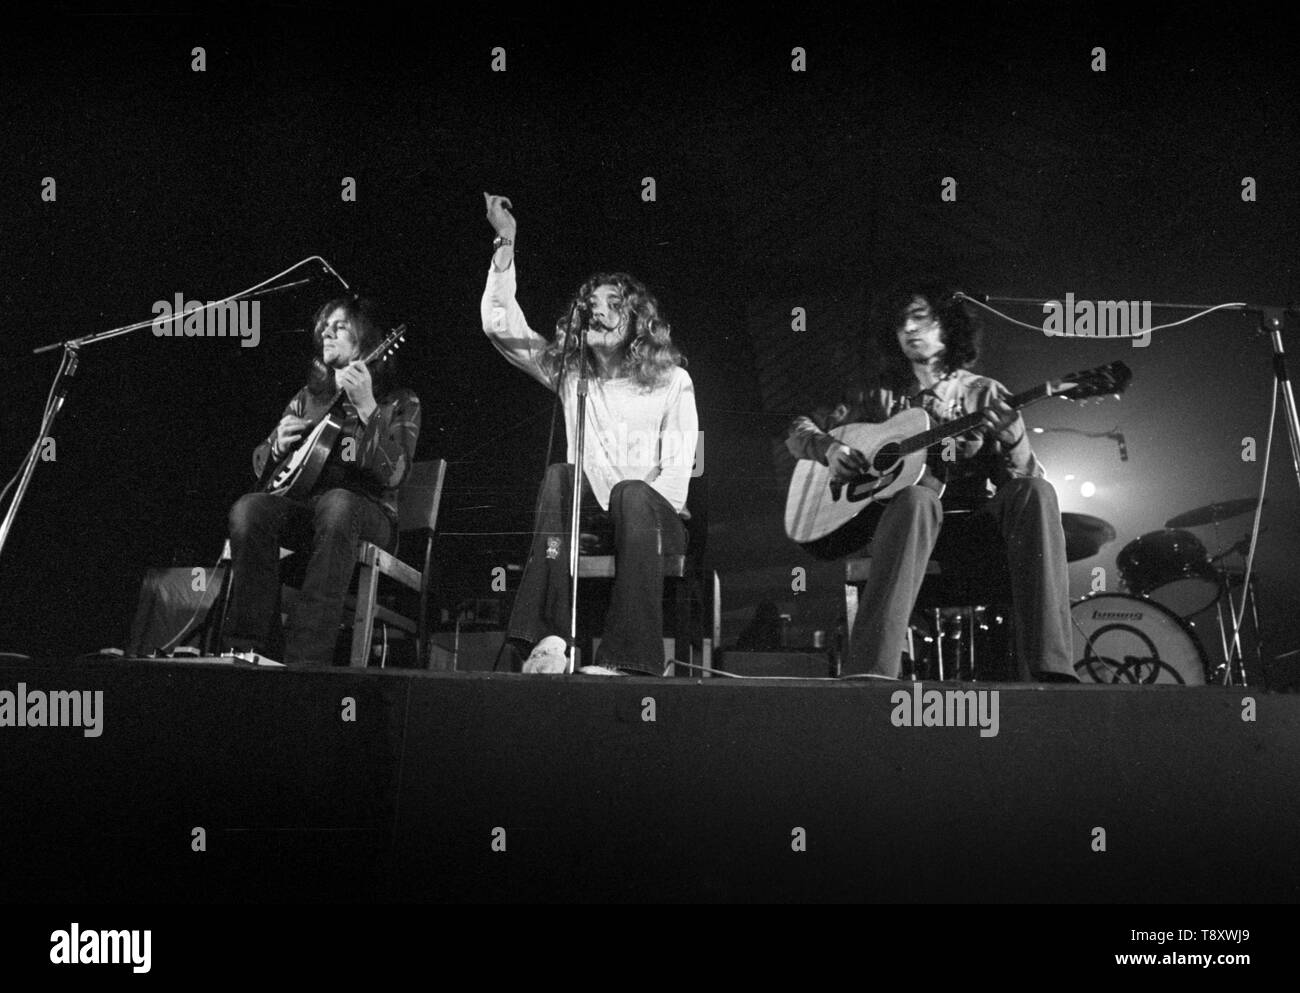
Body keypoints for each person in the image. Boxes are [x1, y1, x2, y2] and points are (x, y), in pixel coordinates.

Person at [786, 281, 1076, 681]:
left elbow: (1022, 482)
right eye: (901, 321)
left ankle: (1052, 668)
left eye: (920, 317)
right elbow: (800, 428)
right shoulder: (877, 397)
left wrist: (1011, 435)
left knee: (1038, 491)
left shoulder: (986, 394)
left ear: (949, 325)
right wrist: (831, 450)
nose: (908, 328)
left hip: (973, 534)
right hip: (906, 532)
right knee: (917, 499)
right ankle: (872, 671)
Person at [480, 192, 698, 676]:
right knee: (560, 474)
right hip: (593, 525)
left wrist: (630, 511)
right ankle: (549, 640)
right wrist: (506, 241)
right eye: (590, 305)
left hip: (656, 526)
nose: (597, 312)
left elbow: (680, 472)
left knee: (631, 493)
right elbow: (500, 327)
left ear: (637, 317)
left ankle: (632, 660)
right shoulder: (572, 375)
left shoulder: (673, 381)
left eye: (612, 304)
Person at [223, 296, 421, 665]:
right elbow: (262, 469)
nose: (326, 333)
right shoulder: (306, 399)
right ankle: (253, 651)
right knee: (248, 510)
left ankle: (304, 661)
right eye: (323, 328)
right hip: (307, 512)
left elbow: (395, 474)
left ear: (363, 340)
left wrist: (367, 409)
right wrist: (275, 445)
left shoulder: (399, 401)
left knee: (339, 503)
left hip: (369, 515)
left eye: (339, 326)